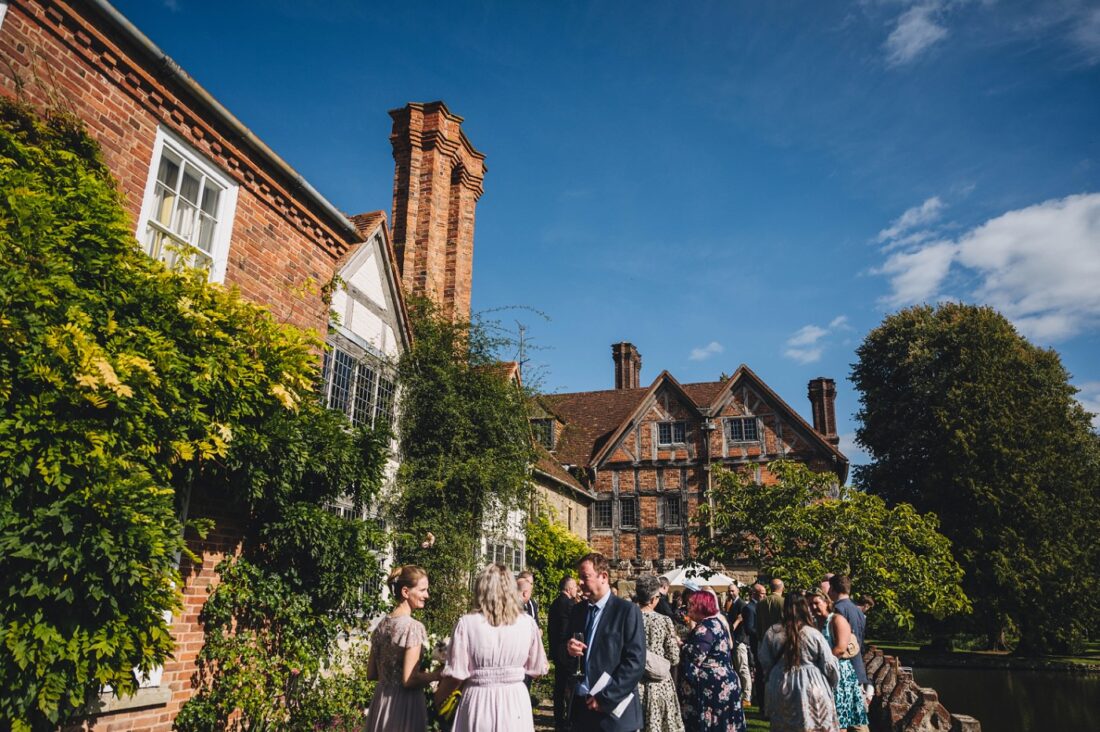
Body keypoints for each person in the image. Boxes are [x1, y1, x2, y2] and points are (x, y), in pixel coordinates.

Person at [435, 563, 549, 731]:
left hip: (479, 700)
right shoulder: (527, 624)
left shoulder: (467, 623)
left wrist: (437, 699)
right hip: (515, 701)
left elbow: (456, 674)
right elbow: (538, 669)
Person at [565, 552, 646, 732]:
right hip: (582, 710)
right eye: (579, 577)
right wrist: (568, 648)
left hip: (614, 713)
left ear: (603, 577)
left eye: (585, 577)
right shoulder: (578, 611)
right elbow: (566, 650)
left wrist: (605, 698)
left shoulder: (626, 611)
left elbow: (635, 663)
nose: (580, 582)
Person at [364, 565, 440, 732]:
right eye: (422, 590)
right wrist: (438, 674)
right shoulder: (413, 627)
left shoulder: (381, 626)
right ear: (406, 592)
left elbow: (371, 674)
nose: (427, 595)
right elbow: (409, 680)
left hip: (381, 703)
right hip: (405, 705)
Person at [758, 591, 840, 732]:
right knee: (812, 724)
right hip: (811, 684)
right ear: (804, 607)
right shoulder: (813, 634)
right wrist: (832, 682)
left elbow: (764, 660)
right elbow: (828, 664)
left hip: (781, 684)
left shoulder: (772, 633)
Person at [678, 589, 746, 732]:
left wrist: (680, 645)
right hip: (723, 681)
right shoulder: (716, 622)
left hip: (712, 687)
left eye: (691, 604)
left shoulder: (705, 627)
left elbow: (695, 656)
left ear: (700, 606)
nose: (687, 607)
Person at [810, 590, 869, 732]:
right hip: (823, 674)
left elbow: (840, 648)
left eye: (816, 603)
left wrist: (821, 664)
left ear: (826, 602)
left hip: (839, 673)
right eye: (810, 604)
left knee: (841, 719)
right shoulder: (814, 622)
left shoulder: (837, 619)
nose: (813, 607)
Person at [633, 576, 684, 732]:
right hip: (659, 683)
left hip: (635, 682)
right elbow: (674, 657)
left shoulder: (628, 618)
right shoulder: (663, 621)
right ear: (654, 598)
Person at [828, 575, 871, 712]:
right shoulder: (857, 610)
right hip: (857, 663)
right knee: (855, 714)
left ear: (833, 589)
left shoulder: (838, 609)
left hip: (845, 664)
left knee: (843, 714)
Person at [549, 575, 580, 731]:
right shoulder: (569, 605)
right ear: (568, 589)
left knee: (559, 687)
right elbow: (567, 630)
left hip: (556, 650)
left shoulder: (554, 603)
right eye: (574, 587)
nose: (577, 589)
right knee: (569, 686)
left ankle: (558, 719)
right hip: (567, 651)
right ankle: (568, 719)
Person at [753, 578, 784, 715]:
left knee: (763, 674)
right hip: (779, 641)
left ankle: (764, 706)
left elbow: (758, 624)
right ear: (781, 588)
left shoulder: (761, 603)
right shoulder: (782, 602)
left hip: (763, 640)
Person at [742, 584, 764, 707]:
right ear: (755, 594)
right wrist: (762, 633)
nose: (764, 596)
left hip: (761, 643)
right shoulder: (750, 608)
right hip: (755, 643)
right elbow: (749, 628)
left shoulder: (759, 606)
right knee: (757, 671)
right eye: (762, 593)